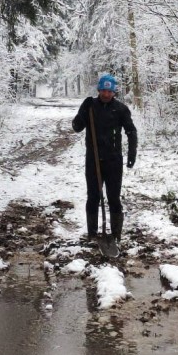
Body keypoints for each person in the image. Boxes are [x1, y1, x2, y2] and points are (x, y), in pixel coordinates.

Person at [72, 74, 138, 244]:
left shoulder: (121, 109)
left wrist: (132, 154)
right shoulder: (90, 106)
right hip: (93, 160)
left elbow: (131, 132)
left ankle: (116, 235)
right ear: (99, 90)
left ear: (114, 91)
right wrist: (82, 112)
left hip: (113, 161)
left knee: (114, 198)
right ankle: (92, 234)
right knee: (93, 196)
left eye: (110, 91)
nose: (106, 94)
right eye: (103, 90)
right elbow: (76, 127)